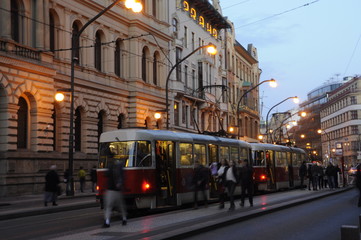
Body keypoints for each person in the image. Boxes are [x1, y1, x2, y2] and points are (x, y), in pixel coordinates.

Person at [103, 160, 127, 227]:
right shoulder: (120, 169)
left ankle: (107, 222)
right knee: (121, 206)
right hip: (118, 191)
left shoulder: (110, 167)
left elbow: (106, 174)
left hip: (110, 190)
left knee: (108, 207)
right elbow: (123, 178)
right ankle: (124, 219)